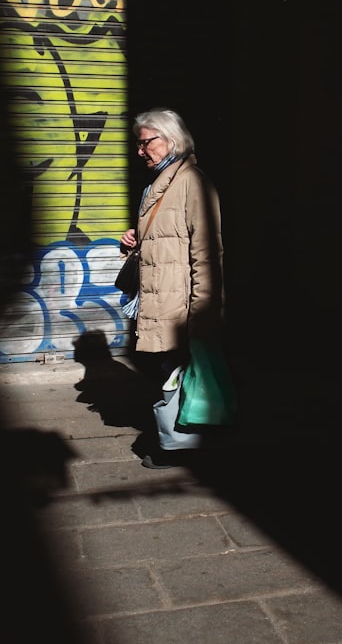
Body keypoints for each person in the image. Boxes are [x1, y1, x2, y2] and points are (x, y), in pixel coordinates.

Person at [118, 108, 227, 469]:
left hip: (177, 300)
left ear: (171, 140)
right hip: (157, 294)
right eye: (139, 143)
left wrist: (205, 309)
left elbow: (207, 250)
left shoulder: (191, 181)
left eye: (146, 142)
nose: (140, 150)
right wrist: (136, 240)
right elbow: (167, 237)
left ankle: (181, 445)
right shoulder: (159, 182)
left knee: (174, 372)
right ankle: (183, 440)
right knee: (168, 370)